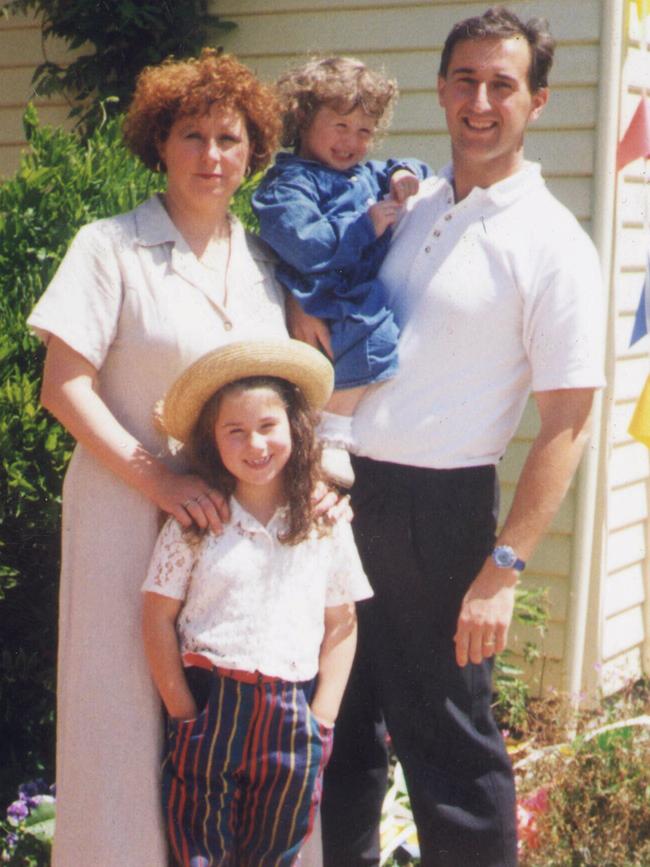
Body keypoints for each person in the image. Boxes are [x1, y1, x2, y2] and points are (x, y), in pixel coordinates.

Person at [285, 7, 606, 867]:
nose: (480, 99)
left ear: (537, 102)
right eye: (465, 79)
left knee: (449, 748)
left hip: (442, 516)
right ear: (440, 88)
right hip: (340, 489)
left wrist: (503, 568)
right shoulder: (409, 199)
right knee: (336, 728)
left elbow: (567, 420)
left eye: (503, 84)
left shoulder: (552, 245)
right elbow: (321, 286)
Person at [27, 51, 300, 866]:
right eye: (193, 135)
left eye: (230, 137)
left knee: (221, 712)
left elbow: (291, 396)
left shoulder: (264, 263)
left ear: (253, 150)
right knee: (118, 705)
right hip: (124, 505)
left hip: (234, 525)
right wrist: (160, 478)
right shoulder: (109, 246)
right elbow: (61, 385)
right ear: (159, 143)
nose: (212, 155)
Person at [142, 338, 373, 866]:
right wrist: (183, 711)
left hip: (292, 715)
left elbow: (342, 623)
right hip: (211, 704)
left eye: (268, 426)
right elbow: (157, 616)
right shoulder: (197, 523)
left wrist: (322, 718)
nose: (256, 444)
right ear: (214, 441)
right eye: (235, 431)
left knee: (273, 856)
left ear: (295, 427)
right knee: (198, 852)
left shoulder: (323, 524)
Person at [252, 56, 430, 487]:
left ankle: (324, 429)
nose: (351, 141)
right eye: (340, 126)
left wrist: (404, 173)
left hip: (349, 293)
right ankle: (330, 433)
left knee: (374, 335)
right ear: (303, 118)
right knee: (370, 336)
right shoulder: (290, 183)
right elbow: (306, 244)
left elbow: (413, 168)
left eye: (364, 131)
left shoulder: (361, 175)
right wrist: (365, 226)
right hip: (320, 292)